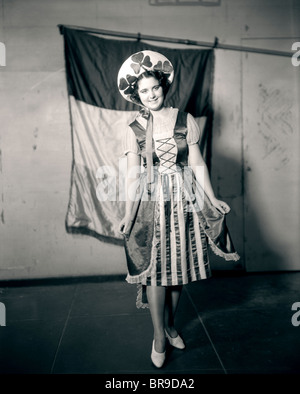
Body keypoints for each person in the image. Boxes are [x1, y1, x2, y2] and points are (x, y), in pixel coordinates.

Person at [117, 50, 239, 368]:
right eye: (143, 90)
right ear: (136, 95)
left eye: (154, 87)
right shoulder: (134, 128)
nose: (150, 94)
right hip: (151, 204)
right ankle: (159, 335)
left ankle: (171, 326)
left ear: (163, 86)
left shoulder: (185, 119)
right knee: (157, 272)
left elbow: (196, 162)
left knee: (178, 269)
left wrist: (212, 198)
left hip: (184, 199)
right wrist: (128, 216)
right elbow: (132, 175)